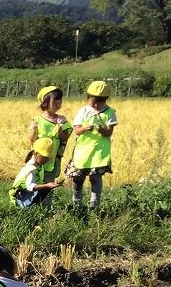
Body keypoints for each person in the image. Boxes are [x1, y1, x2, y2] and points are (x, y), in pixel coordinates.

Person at [67, 80, 118, 210]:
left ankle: (94, 206)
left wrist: (101, 129)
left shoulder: (110, 112)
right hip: (82, 152)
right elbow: (77, 130)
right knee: (78, 178)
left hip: (99, 153)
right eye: (93, 101)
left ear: (106, 100)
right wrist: (85, 128)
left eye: (100, 101)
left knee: (96, 178)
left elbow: (109, 133)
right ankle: (76, 204)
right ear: (88, 97)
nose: (96, 104)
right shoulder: (83, 111)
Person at [28, 85, 72, 184]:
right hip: (38, 159)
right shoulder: (37, 120)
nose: (58, 105)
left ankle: (46, 199)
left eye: (60, 102)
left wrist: (60, 130)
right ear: (45, 102)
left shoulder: (62, 120)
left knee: (49, 185)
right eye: (54, 102)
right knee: (34, 184)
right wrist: (34, 130)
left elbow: (65, 138)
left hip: (53, 160)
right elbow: (31, 139)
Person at [10, 138, 66, 208]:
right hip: (20, 197)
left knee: (47, 189)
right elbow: (30, 187)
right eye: (44, 157)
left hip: (27, 194)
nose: (47, 159)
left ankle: (38, 207)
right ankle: (28, 207)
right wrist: (47, 185)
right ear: (36, 154)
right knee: (46, 188)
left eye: (48, 157)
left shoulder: (39, 165)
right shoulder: (31, 168)